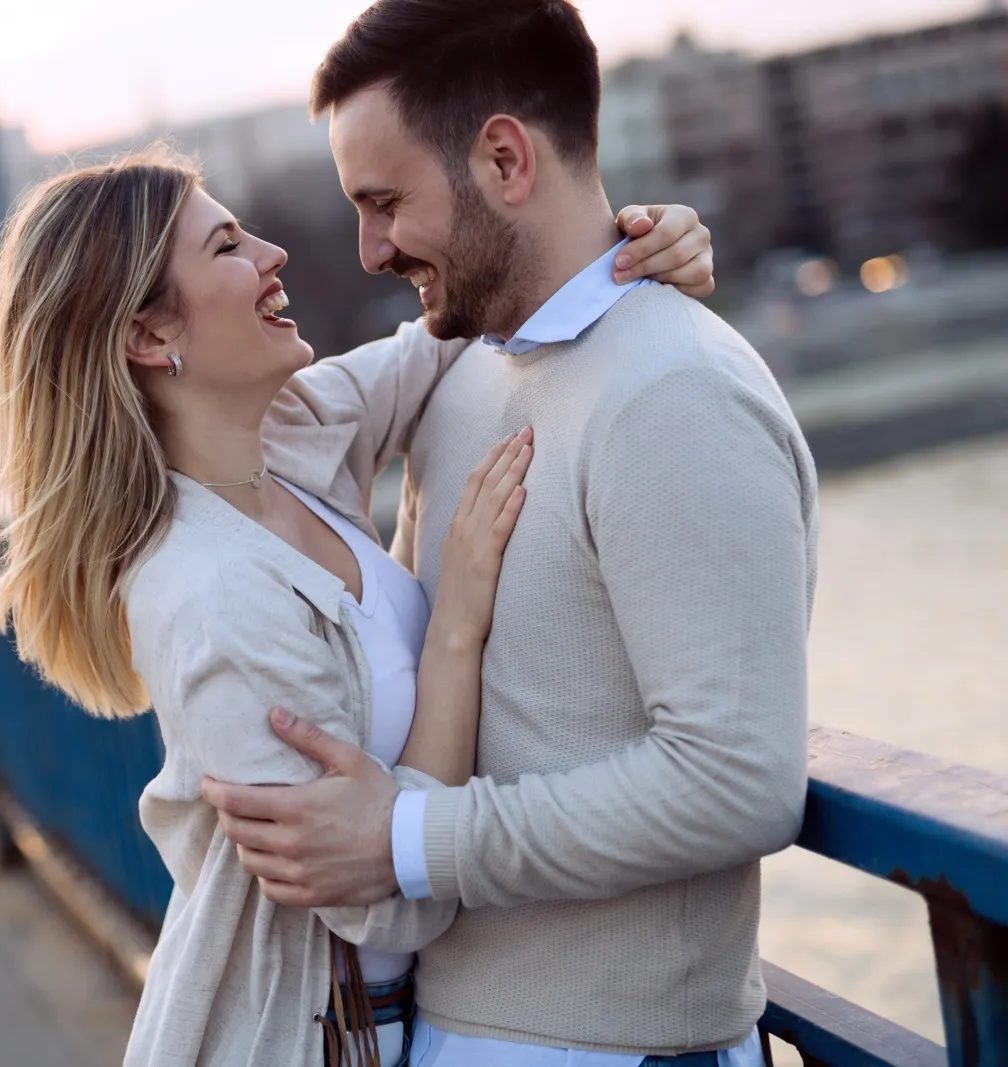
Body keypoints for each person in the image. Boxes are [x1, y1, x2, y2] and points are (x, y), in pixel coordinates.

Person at [0, 143, 716, 1065]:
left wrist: (638, 243)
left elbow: (454, 326)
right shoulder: (209, 599)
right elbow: (389, 905)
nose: (273, 254)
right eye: (228, 247)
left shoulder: (286, 436)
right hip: (302, 1039)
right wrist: (454, 628)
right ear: (150, 336)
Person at [199, 4, 819, 1067]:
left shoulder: (675, 396)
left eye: (385, 201)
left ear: (501, 157)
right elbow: (180, 441)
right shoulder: (463, 361)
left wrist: (401, 835)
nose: (370, 246)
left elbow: (734, 777)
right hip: (445, 1026)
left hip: (616, 1047)